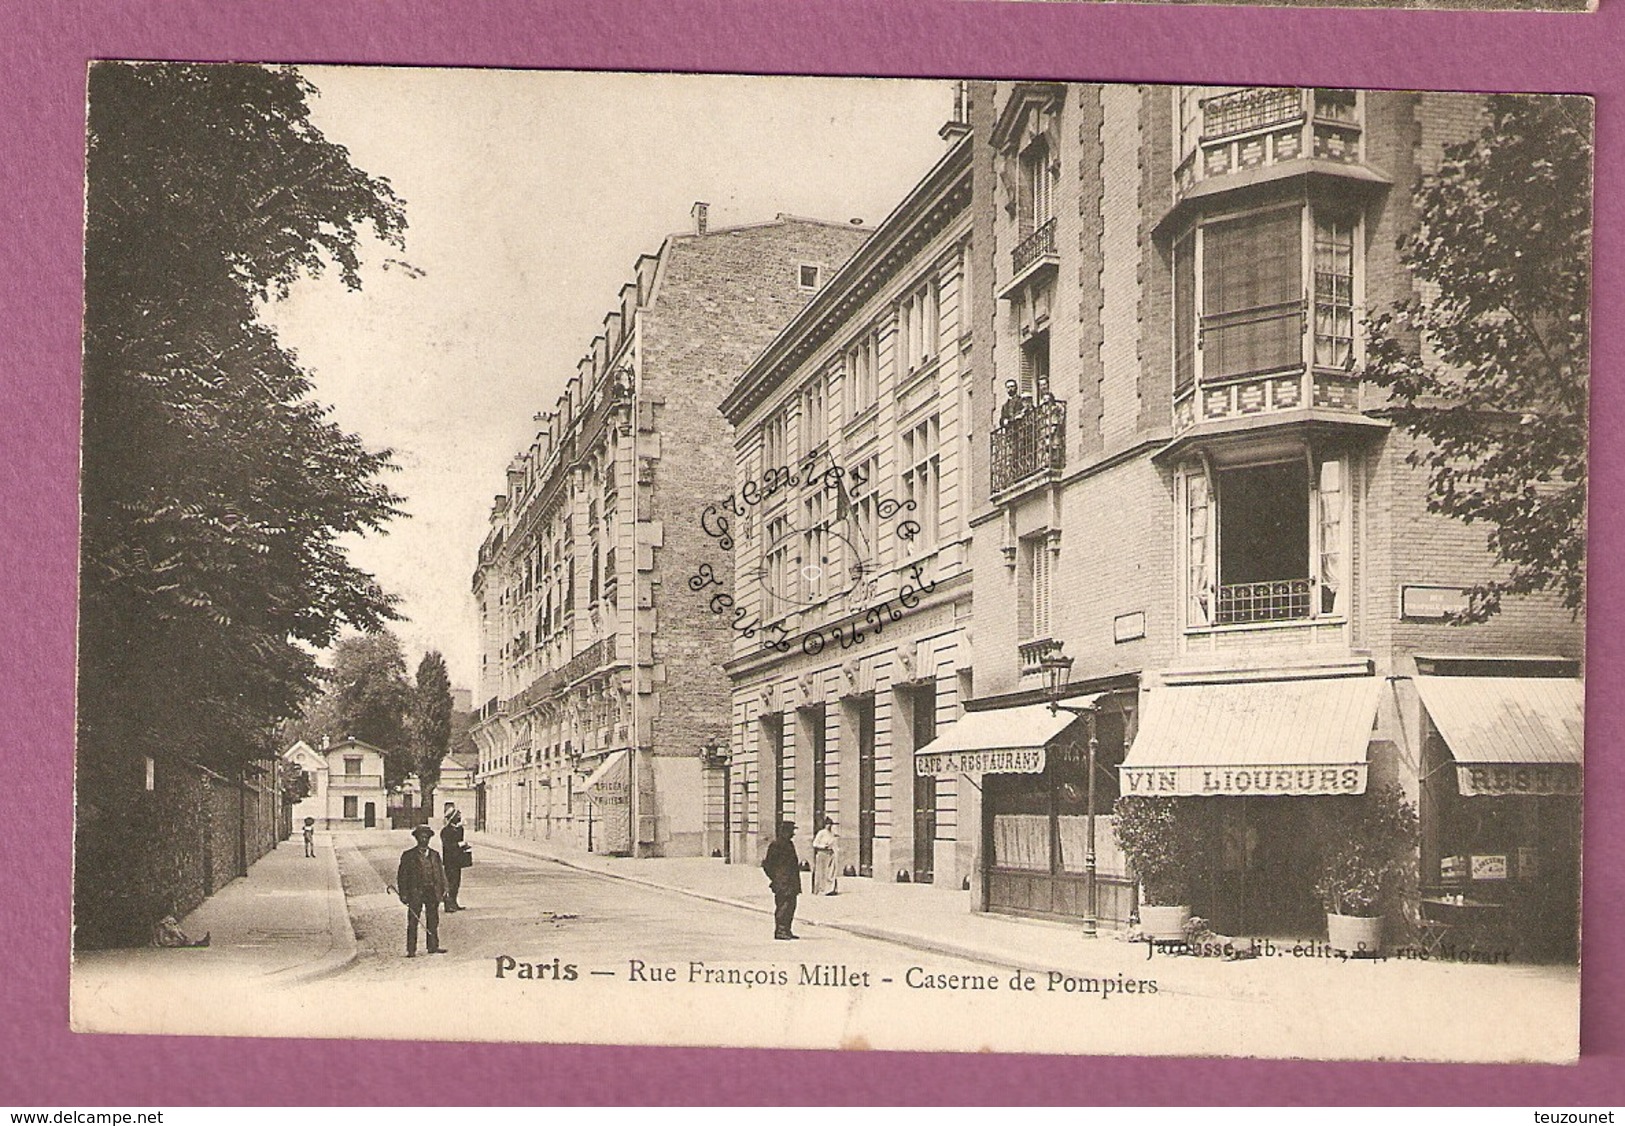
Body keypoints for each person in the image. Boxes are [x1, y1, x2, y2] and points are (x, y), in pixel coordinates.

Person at [395, 825, 449, 957]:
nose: (424, 839)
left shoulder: (435, 855)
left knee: (433, 919)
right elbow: (402, 876)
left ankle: (433, 946)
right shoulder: (408, 856)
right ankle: (411, 949)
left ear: (430, 839)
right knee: (413, 920)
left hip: (432, 891)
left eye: (426, 837)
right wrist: (403, 894)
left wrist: (445, 888)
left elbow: (441, 873)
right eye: (421, 837)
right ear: (417, 838)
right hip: (415, 892)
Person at [762, 820, 802, 940]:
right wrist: (776, 878)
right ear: (785, 831)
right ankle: (780, 931)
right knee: (783, 907)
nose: (793, 834)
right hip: (782, 882)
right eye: (791, 831)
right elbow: (768, 865)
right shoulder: (776, 845)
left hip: (791, 881)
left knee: (791, 906)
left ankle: (787, 930)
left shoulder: (789, 844)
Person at [440, 806, 468, 911]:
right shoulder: (445, 831)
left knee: (456, 882)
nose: (460, 817)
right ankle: (448, 905)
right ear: (452, 818)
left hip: (457, 860)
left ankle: (454, 902)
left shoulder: (459, 829)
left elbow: (459, 840)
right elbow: (448, 846)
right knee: (450, 883)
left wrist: (464, 845)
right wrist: (459, 844)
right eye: (458, 816)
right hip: (449, 861)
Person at [810, 818, 839, 896]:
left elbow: (833, 844)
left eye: (830, 824)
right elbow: (815, 844)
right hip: (822, 854)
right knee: (821, 872)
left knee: (831, 872)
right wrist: (823, 846)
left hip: (830, 854)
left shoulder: (832, 833)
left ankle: (830, 889)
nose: (829, 826)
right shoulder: (821, 833)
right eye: (827, 824)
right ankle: (821, 889)